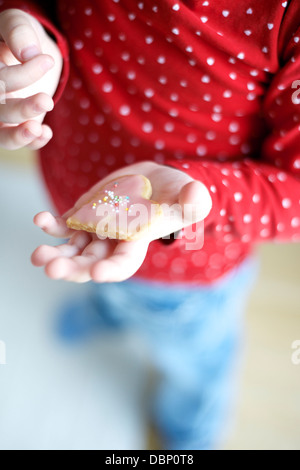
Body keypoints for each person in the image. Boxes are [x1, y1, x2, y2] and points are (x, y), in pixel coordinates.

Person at [0, 0, 299, 450]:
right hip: (79, 199)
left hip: (191, 266)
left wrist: (196, 194)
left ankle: (192, 429)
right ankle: (112, 311)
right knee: (105, 284)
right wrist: (36, 37)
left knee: (193, 362)